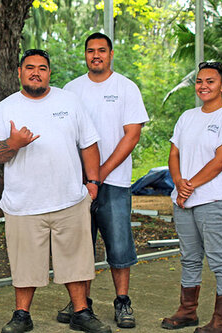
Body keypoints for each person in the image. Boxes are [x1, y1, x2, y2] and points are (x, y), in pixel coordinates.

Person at [0, 49, 111, 333]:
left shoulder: (69, 101)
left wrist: (93, 183)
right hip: (23, 203)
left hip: (69, 199)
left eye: (42, 68)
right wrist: (14, 143)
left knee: (76, 261)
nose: (36, 72)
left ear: (49, 73)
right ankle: (21, 315)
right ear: (19, 72)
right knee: (25, 263)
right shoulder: (5, 108)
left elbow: (89, 144)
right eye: (30, 67)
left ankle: (81, 312)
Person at [61, 32, 149, 329]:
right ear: (84, 55)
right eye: (90, 50)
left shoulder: (126, 88)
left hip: (115, 181)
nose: (95, 55)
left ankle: (122, 302)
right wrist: (85, 176)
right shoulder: (70, 90)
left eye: (101, 50)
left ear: (111, 54)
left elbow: (132, 135)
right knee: (79, 245)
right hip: (78, 183)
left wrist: (101, 172)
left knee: (119, 246)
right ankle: (80, 303)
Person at [162, 61, 222, 333]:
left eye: (210, 81)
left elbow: (221, 160)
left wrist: (190, 185)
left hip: (216, 201)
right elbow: (174, 153)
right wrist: (178, 182)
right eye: (199, 81)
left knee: (220, 260)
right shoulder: (187, 116)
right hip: (184, 201)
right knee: (189, 257)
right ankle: (187, 311)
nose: (203, 86)